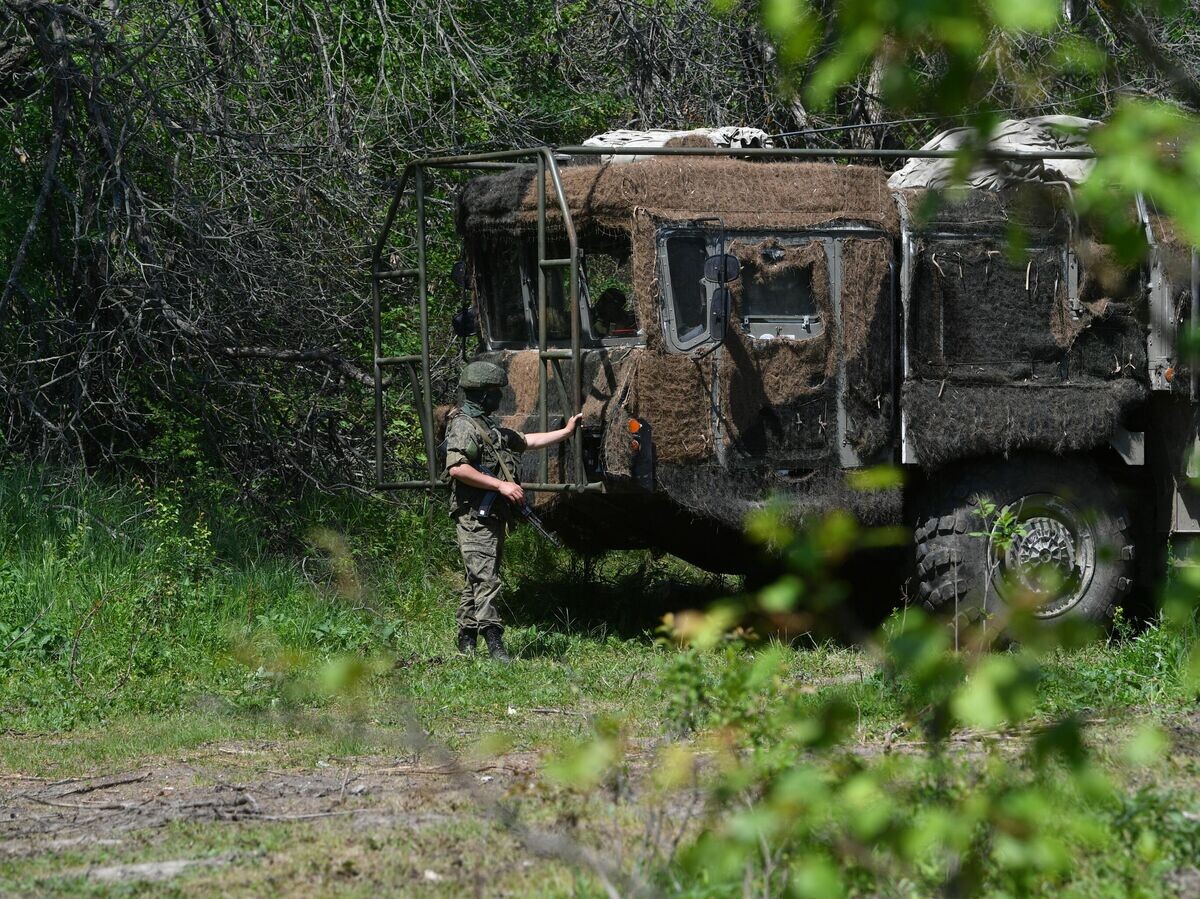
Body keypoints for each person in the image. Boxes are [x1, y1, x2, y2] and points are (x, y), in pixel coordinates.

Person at [443, 361, 582, 661]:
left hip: (490, 515)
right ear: (481, 395)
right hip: (473, 515)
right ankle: (495, 644)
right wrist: (501, 486)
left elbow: (527, 441)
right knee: (487, 579)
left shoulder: (489, 427)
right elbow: (457, 468)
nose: (499, 398)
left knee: (476, 577)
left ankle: (466, 640)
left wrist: (566, 432)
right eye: (494, 392)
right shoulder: (464, 425)